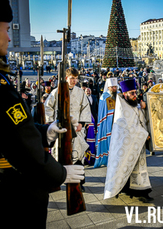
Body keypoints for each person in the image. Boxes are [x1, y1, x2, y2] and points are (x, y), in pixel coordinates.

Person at [0, 2, 84, 228]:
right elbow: (20, 142)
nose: (9, 38)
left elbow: (17, 129)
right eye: (6, 29)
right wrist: (59, 174)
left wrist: (47, 130)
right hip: (12, 190)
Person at [104, 79, 153, 203]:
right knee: (125, 167)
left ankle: (142, 191)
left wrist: (145, 108)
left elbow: (141, 120)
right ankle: (123, 189)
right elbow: (128, 128)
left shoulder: (136, 105)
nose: (135, 95)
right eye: (132, 93)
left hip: (139, 143)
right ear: (125, 94)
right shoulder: (122, 109)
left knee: (139, 168)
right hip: (126, 146)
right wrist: (144, 133)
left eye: (135, 93)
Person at [45, 67, 91, 192]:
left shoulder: (80, 92)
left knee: (78, 154)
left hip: (76, 128)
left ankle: (79, 182)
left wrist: (81, 122)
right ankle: (57, 180)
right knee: (59, 155)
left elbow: (85, 108)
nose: (74, 81)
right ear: (66, 78)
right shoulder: (56, 91)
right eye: (72, 78)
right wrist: (51, 123)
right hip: (61, 129)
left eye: (76, 79)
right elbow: (48, 107)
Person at [94, 78, 118, 168]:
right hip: (108, 123)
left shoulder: (119, 95)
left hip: (118, 121)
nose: (114, 89)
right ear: (108, 87)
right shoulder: (104, 97)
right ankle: (108, 158)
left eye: (115, 87)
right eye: (112, 87)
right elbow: (102, 113)